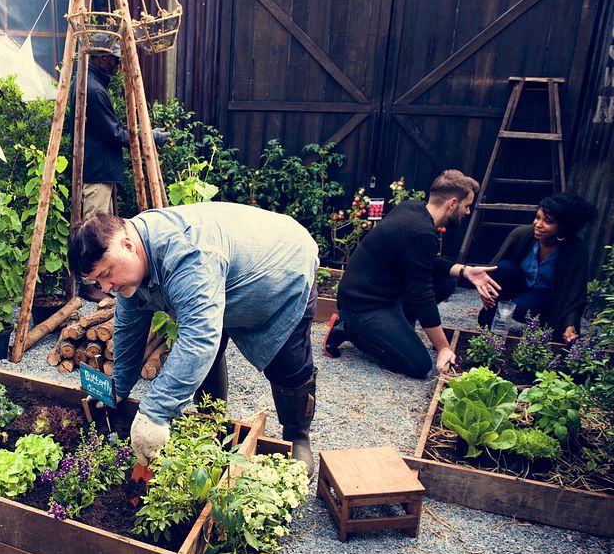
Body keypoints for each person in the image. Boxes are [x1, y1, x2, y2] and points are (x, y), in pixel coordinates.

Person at [69, 202, 320, 476]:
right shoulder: (131, 263)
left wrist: (156, 412)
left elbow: (199, 339)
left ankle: (297, 436)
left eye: (106, 275)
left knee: (287, 364)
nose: (106, 288)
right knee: (204, 355)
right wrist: (118, 388)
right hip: (224, 276)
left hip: (282, 270)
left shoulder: (187, 255)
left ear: (127, 245)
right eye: (98, 282)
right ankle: (212, 423)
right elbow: (129, 329)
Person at [323, 170, 500, 379]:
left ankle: (396, 328)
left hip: (386, 293)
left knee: (446, 282)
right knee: (418, 365)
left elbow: (424, 264)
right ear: (452, 203)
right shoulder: (421, 232)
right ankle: (346, 327)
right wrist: (443, 347)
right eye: (467, 205)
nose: (468, 212)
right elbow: (421, 295)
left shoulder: (414, 209)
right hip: (363, 305)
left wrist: (465, 270)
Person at [70, 39, 168, 302]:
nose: (117, 66)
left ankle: (100, 279)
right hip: (97, 170)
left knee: (101, 226)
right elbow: (112, 133)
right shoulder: (93, 89)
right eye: (114, 60)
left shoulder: (88, 83)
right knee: (95, 227)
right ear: (101, 58)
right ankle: (93, 282)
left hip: (97, 167)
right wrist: (148, 137)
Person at [477, 192, 597, 343]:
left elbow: (575, 292)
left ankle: (543, 326)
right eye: (537, 217)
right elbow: (493, 268)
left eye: (548, 221)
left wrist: (570, 325)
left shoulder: (575, 249)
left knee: (521, 307)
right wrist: (485, 291)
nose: (538, 224)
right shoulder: (521, 234)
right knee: (504, 268)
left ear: (563, 227)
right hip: (519, 285)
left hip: (545, 297)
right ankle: (491, 323)